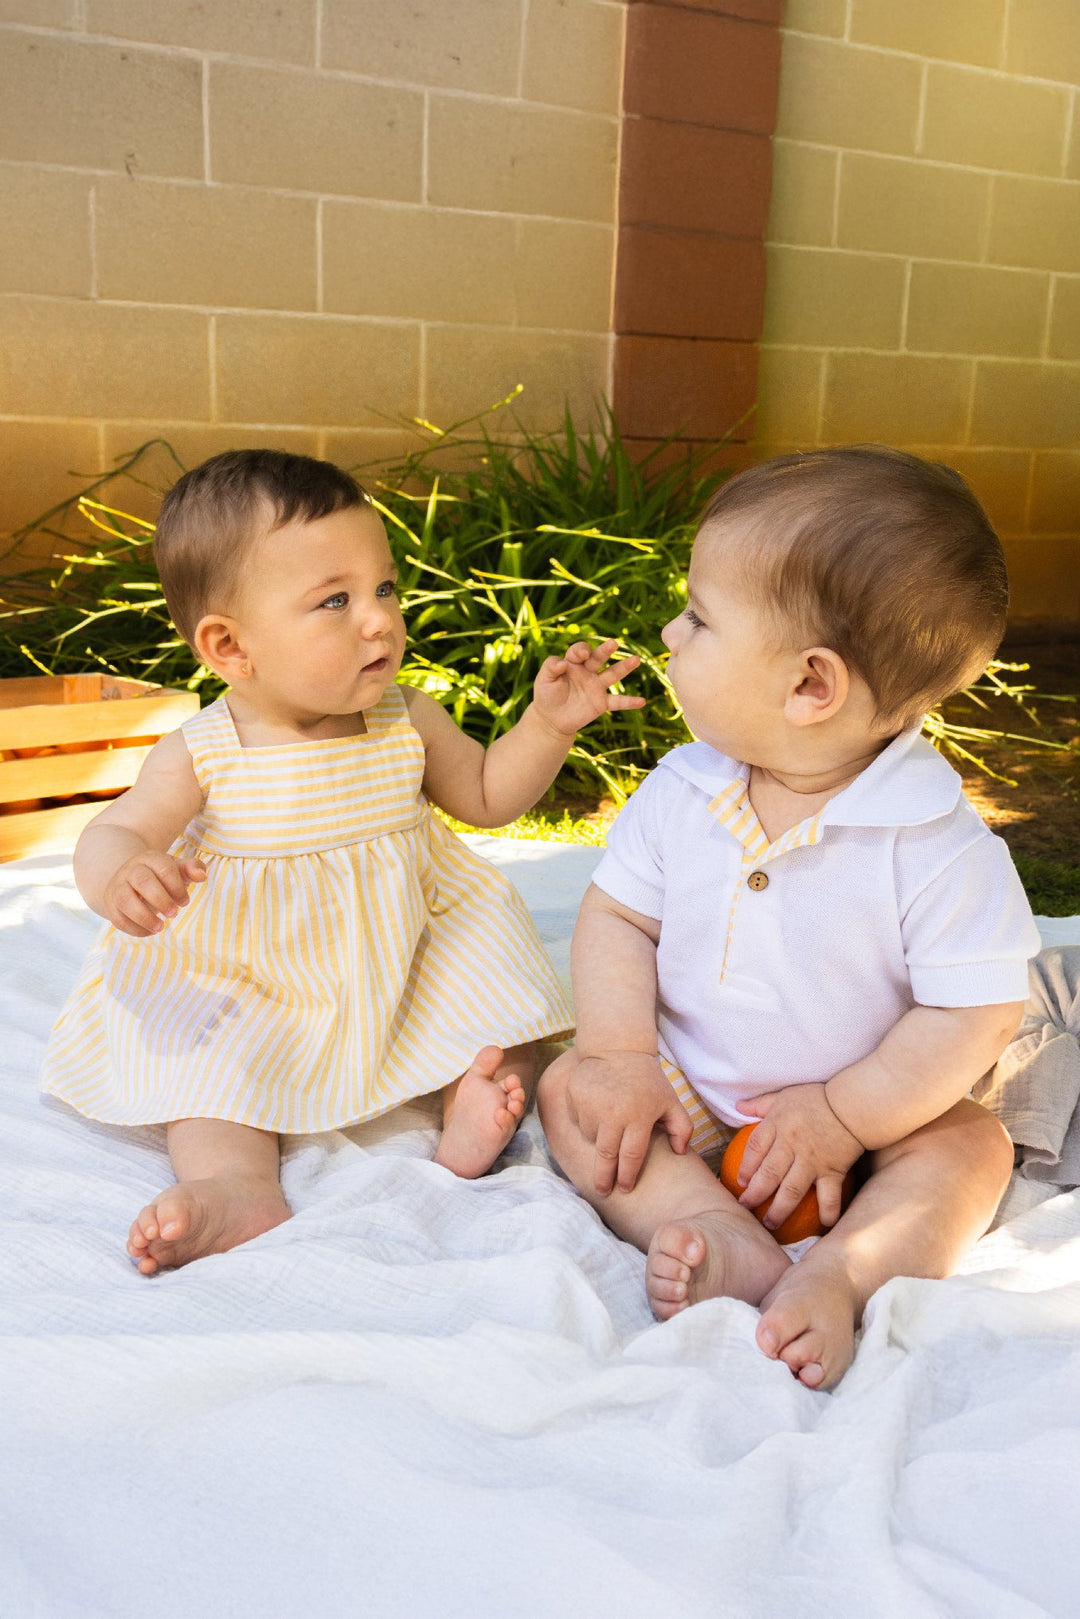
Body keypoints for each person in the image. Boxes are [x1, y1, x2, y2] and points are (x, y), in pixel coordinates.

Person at [41, 449, 643, 1275]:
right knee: (203, 1063)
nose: (379, 619)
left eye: (385, 588)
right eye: (335, 600)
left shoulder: (405, 716)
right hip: (256, 973)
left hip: (400, 953)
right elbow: (117, 830)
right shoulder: (206, 750)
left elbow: (486, 796)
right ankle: (236, 1184)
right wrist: (121, 875)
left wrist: (547, 726)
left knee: (496, 996)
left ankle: (466, 1117)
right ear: (231, 646)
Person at [538, 446, 1041, 1390]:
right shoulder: (685, 789)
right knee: (571, 1089)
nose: (670, 630)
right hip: (688, 1092)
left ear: (811, 686)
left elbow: (976, 1015)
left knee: (973, 1146)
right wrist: (619, 1054)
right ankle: (725, 1235)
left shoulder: (934, 844)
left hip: (867, 1125)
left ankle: (844, 1270)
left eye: (699, 616)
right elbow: (617, 918)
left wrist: (847, 1114)